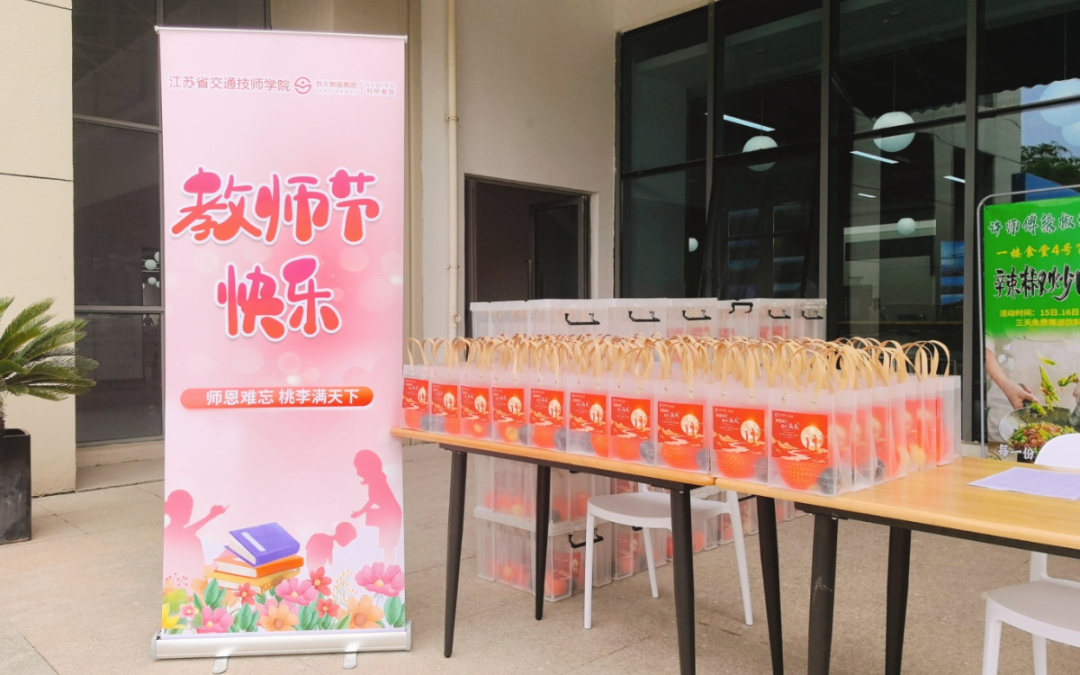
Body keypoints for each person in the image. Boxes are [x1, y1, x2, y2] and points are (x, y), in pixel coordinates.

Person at [163, 490, 227, 585]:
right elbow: (203, 577)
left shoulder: (172, 534)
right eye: (183, 509)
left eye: (189, 510)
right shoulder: (190, 540)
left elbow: (184, 532)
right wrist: (225, 556)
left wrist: (211, 516)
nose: (187, 513)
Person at [350, 450, 402, 564]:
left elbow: (373, 499)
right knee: (385, 544)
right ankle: (386, 563)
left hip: (391, 513)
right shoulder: (374, 482)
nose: (359, 471)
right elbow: (373, 499)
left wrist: (360, 512)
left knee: (388, 544)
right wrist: (360, 512)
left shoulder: (378, 482)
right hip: (386, 512)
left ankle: (389, 564)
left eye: (360, 468)